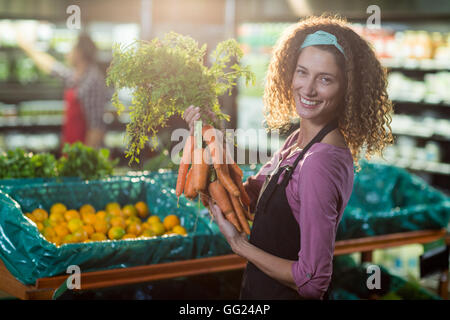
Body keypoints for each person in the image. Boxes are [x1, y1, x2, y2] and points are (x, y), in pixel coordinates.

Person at [183, 15, 394, 300]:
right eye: (302, 72)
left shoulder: (320, 162)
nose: (307, 88)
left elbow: (312, 281)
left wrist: (239, 245)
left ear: (348, 90)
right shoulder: (298, 141)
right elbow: (248, 200)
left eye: (325, 79)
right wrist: (209, 137)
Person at [17, 32, 109, 148]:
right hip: (72, 149)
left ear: (79, 52)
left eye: (71, 49)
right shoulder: (76, 75)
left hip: (84, 154)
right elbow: (52, 67)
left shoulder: (92, 81)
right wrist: (28, 48)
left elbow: (96, 128)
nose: (67, 54)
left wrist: (85, 160)